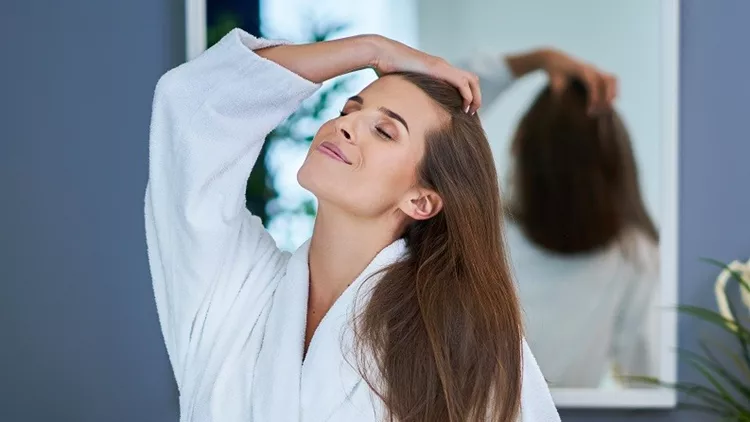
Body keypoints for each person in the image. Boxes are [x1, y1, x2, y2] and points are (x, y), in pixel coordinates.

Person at [145, 28, 575, 421]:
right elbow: (191, 110)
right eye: (349, 110)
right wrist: (372, 48)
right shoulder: (236, 291)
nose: (346, 125)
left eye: (384, 131)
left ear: (422, 200)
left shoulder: (463, 341)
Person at [497, 76, 660, 388]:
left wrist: (531, 61)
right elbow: (645, 381)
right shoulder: (637, 254)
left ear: (520, 144)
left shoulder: (483, 234)